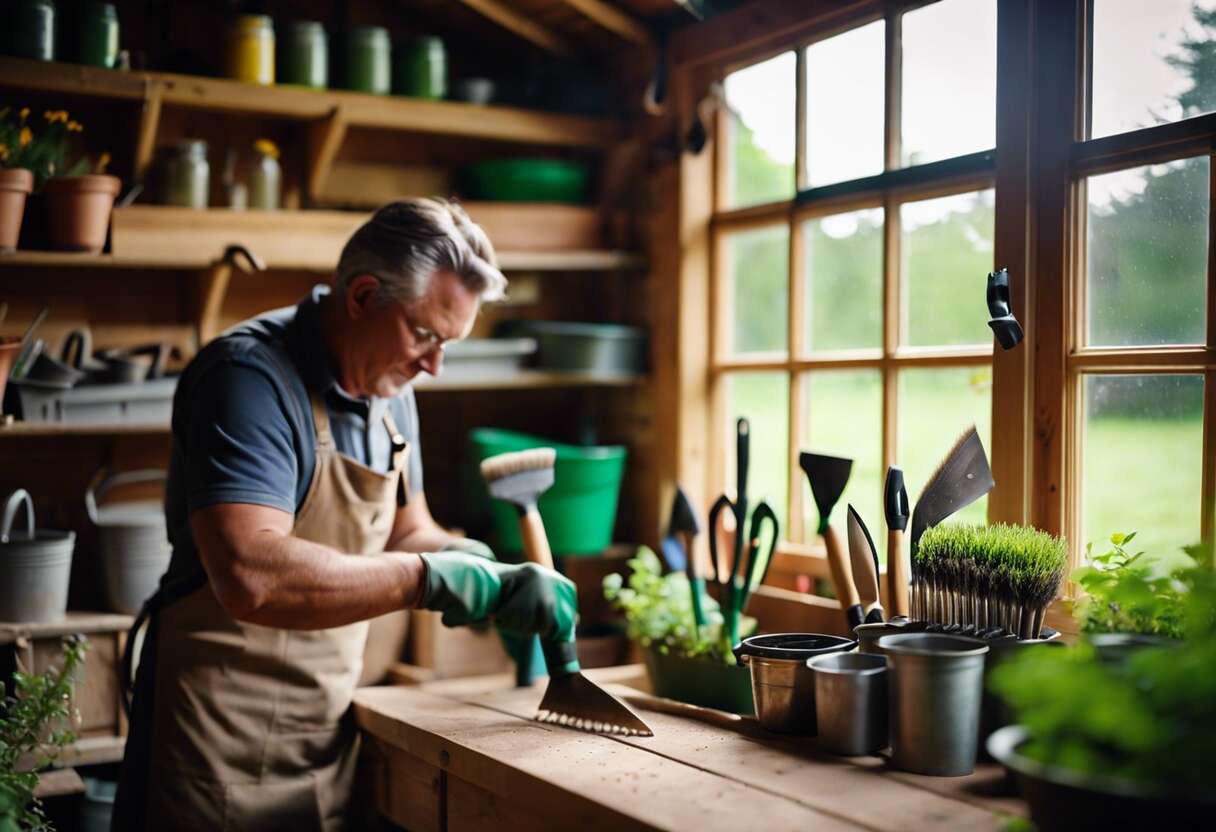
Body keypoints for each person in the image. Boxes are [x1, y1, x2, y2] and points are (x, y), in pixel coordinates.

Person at [111, 198, 577, 831]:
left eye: (450, 343)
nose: (434, 366)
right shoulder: (249, 378)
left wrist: (489, 571)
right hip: (212, 743)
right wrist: (429, 579)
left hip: (325, 731)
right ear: (361, 297)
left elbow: (409, 531)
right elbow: (253, 574)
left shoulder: (392, 388)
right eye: (426, 334)